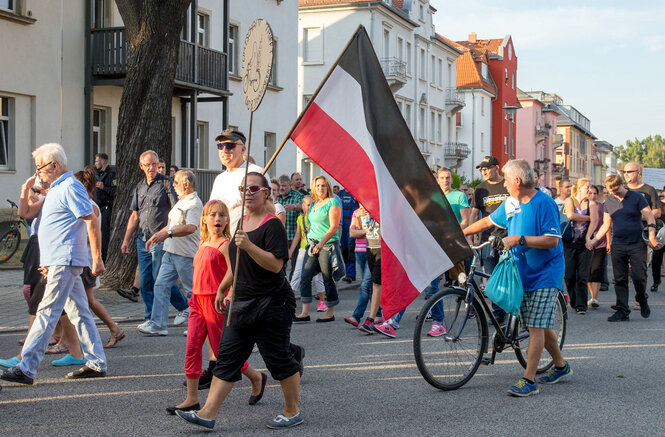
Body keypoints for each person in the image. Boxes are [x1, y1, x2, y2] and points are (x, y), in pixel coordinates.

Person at [176, 172, 302, 431]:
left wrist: (250, 247)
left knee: (278, 359)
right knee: (227, 358)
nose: (248, 192)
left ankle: (292, 410)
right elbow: (237, 262)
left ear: (266, 193)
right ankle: (207, 413)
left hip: (271, 303)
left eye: (254, 188)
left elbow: (276, 265)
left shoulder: (272, 225)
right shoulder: (242, 221)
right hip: (241, 303)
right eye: (244, 187)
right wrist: (223, 287)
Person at [1, 143, 107, 386]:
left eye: (40, 168)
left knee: (47, 312)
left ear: (54, 166)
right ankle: (97, 361)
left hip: (65, 260)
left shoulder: (69, 186)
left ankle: (26, 367)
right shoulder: (57, 189)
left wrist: (97, 258)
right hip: (60, 260)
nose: (38, 173)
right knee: (79, 312)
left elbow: (90, 219)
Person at [463, 159, 570, 397]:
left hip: (546, 273)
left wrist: (519, 239)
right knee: (539, 324)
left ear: (517, 181)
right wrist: (461, 232)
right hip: (520, 271)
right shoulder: (511, 202)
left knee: (535, 325)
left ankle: (529, 380)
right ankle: (561, 366)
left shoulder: (545, 203)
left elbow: (552, 240)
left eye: (507, 179)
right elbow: (487, 221)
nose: (504, 184)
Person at [168, 199, 265, 416]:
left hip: (216, 303)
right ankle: (192, 398)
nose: (217, 219)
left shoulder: (226, 244)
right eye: (212, 215)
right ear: (204, 219)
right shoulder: (202, 243)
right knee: (192, 348)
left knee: (224, 353)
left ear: (227, 220)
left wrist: (226, 293)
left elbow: (235, 272)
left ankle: (256, 376)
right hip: (196, 302)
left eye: (222, 215)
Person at [120, 150, 189, 324]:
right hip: (143, 239)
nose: (152, 168)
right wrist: (126, 239)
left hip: (161, 239)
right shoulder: (139, 186)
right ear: (141, 166)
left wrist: (164, 233)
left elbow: (176, 213)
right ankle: (151, 316)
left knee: (162, 278)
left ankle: (183, 307)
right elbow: (135, 215)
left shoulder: (167, 184)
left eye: (154, 164)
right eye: (148, 165)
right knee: (145, 281)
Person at [587, 174, 659, 322]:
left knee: (639, 276)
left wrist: (651, 237)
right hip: (618, 244)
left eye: (616, 190)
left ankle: (641, 298)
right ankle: (622, 310)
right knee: (619, 279)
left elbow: (650, 218)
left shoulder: (637, 197)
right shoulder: (609, 201)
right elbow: (606, 225)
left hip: (636, 243)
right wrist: (594, 240)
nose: (614, 193)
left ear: (622, 185)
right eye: (611, 191)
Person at [139, 170, 203, 336]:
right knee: (160, 285)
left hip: (184, 253)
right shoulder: (181, 202)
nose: (173, 185)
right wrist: (157, 235)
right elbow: (171, 226)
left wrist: (167, 234)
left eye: (176, 182)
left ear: (186, 184)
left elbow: (191, 227)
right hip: (170, 251)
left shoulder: (194, 203)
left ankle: (198, 324)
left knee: (192, 290)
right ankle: (158, 324)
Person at [75, 166, 125, 348]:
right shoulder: (87, 205)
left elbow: (91, 236)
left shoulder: (89, 206)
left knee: (87, 301)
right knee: (83, 301)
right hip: (84, 260)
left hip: (86, 261)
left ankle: (113, 328)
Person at [294, 176, 342, 323]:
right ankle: (305, 312)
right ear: (313, 188)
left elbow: (334, 227)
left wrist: (321, 243)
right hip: (312, 245)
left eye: (323, 185)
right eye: (317, 186)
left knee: (328, 279)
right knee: (305, 276)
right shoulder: (314, 203)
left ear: (327, 187)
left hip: (327, 245)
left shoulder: (332, 202)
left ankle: (330, 311)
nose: (320, 188)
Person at [469, 156, 510, 322]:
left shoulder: (507, 185)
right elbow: (474, 214)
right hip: (488, 239)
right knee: (491, 279)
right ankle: (498, 313)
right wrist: (471, 237)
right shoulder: (480, 189)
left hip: (508, 238)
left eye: (487, 168)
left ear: (497, 168)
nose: (484, 171)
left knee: (507, 277)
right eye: (481, 169)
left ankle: (512, 310)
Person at [209, 128, 268, 231]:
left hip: (247, 239)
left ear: (243, 149)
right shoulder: (220, 179)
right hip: (223, 241)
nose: (224, 150)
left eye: (230, 146)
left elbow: (269, 207)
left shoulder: (255, 172)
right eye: (220, 146)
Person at [622, 162, 662, 292]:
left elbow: (657, 212)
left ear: (638, 172)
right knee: (625, 269)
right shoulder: (622, 190)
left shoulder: (649, 190)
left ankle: (640, 298)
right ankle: (624, 300)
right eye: (625, 172)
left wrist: (640, 217)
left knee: (640, 268)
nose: (626, 175)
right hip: (624, 234)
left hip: (644, 233)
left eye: (630, 172)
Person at [344, 204, 382, 327]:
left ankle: (358, 316)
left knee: (366, 284)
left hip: (375, 248)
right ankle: (377, 314)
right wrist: (360, 220)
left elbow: (373, 230)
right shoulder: (357, 212)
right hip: (360, 251)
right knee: (372, 284)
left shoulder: (376, 209)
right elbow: (352, 232)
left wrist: (364, 231)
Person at [563, 178, 597, 314]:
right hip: (569, 243)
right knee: (569, 275)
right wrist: (588, 218)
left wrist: (588, 238)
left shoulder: (592, 204)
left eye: (590, 187)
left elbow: (595, 223)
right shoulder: (570, 200)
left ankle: (581, 305)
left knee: (582, 275)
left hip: (584, 243)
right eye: (586, 187)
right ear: (579, 188)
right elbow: (571, 215)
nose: (589, 189)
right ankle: (574, 299)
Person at [288, 195, 325, 300]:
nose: (310, 207)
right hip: (303, 249)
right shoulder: (301, 218)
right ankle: (289, 299)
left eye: (312, 205)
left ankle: (322, 301)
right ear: (303, 206)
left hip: (315, 249)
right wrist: (291, 250)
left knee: (318, 277)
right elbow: (297, 236)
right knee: (297, 274)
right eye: (308, 205)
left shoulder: (316, 218)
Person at [276, 174, 303, 276]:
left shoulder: (297, 195)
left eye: (284, 186)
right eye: (281, 186)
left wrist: (294, 206)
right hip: (280, 236)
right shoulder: (277, 197)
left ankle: (293, 283)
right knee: (280, 262)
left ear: (290, 185)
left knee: (295, 262)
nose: (282, 188)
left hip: (294, 234)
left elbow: (305, 207)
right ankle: (282, 281)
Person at [586, 185, 606, 308]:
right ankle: (591, 295)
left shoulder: (602, 206)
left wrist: (609, 241)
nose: (592, 196)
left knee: (597, 268)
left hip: (600, 241)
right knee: (589, 270)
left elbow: (606, 224)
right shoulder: (584, 206)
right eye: (590, 193)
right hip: (586, 240)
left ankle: (595, 297)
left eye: (594, 193)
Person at [93, 153, 116, 262]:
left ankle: (105, 259)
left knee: (105, 235)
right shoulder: (98, 174)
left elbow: (115, 192)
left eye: (97, 161)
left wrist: (104, 188)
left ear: (103, 161)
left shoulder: (111, 174)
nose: (95, 163)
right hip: (99, 207)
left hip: (107, 207)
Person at [337, 187, 358, 282]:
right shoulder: (340, 194)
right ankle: (346, 272)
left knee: (351, 250)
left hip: (352, 225)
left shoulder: (355, 193)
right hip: (342, 226)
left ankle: (351, 274)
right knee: (344, 250)